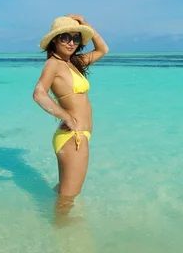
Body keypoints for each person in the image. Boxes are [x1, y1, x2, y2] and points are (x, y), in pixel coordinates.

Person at [32, 14, 109, 225]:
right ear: (55, 40)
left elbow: (103, 50)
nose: (71, 43)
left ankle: (53, 220)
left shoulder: (73, 63)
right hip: (73, 137)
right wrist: (65, 115)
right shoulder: (53, 64)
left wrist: (86, 25)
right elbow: (39, 93)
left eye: (76, 38)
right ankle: (60, 229)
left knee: (64, 190)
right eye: (65, 37)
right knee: (69, 195)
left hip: (76, 136)